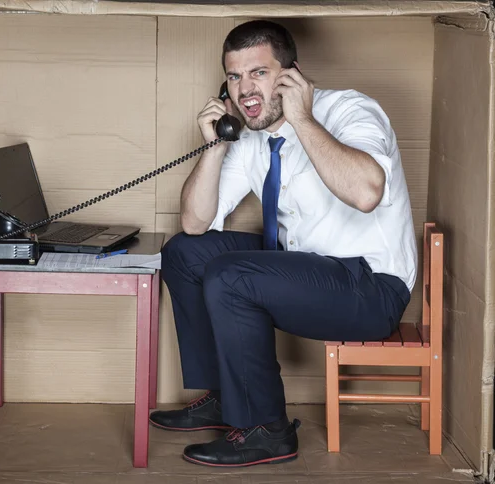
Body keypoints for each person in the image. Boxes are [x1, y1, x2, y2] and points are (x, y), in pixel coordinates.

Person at [150, 19, 417, 467]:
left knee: (230, 275)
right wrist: (214, 147)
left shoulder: (351, 110)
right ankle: (225, 398)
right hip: (304, 269)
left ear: (292, 75)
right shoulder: (251, 135)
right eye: (234, 77)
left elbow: (367, 192)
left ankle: (266, 431)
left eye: (259, 72)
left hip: (370, 287)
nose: (244, 90)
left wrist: (302, 119)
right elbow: (195, 224)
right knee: (185, 253)